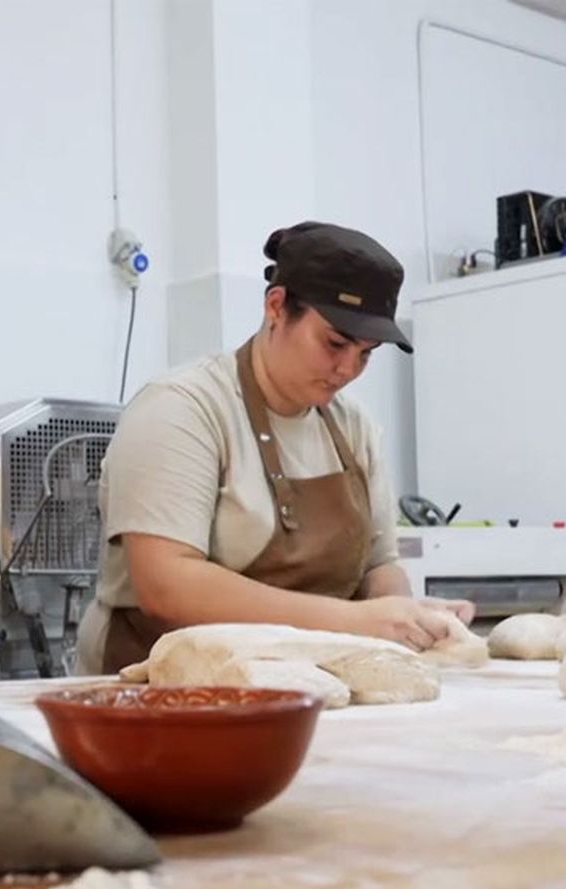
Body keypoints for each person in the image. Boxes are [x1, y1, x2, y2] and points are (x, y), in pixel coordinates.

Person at [76, 221, 472, 675]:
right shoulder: (184, 409)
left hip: (298, 692)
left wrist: (404, 618)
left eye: (366, 353)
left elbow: (380, 567)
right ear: (276, 306)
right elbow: (167, 586)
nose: (347, 369)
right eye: (335, 343)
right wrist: (353, 623)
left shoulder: (354, 427)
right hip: (158, 698)